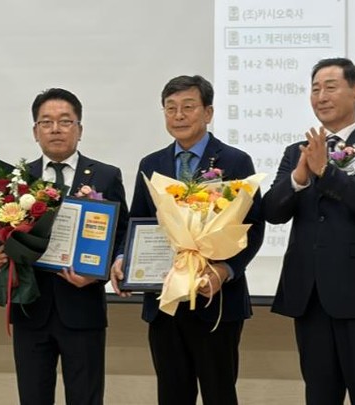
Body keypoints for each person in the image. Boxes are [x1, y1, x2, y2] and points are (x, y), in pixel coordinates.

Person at [110, 75, 264, 405]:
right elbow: (138, 221)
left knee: (219, 394)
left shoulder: (235, 161)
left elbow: (253, 228)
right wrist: (123, 259)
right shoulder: (152, 164)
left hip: (216, 300)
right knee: (171, 394)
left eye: (188, 107)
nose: (178, 115)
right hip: (164, 300)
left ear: (208, 112)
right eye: (171, 108)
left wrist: (224, 271)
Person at [262, 57, 355, 404]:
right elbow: (272, 213)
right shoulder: (297, 153)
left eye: (330, 87)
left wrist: (326, 172)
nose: (321, 96)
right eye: (315, 89)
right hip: (310, 296)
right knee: (319, 396)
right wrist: (299, 178)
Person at [0, 88, 129, 405]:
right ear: (35, 131)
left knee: (86, 398)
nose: (56, 129)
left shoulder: (105, 176)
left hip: (82, 307)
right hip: (30, 309)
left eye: (65, 121)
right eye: (46, 122)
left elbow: (121, 234)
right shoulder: (16, 180)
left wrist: (98, 274)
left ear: (79, 128)